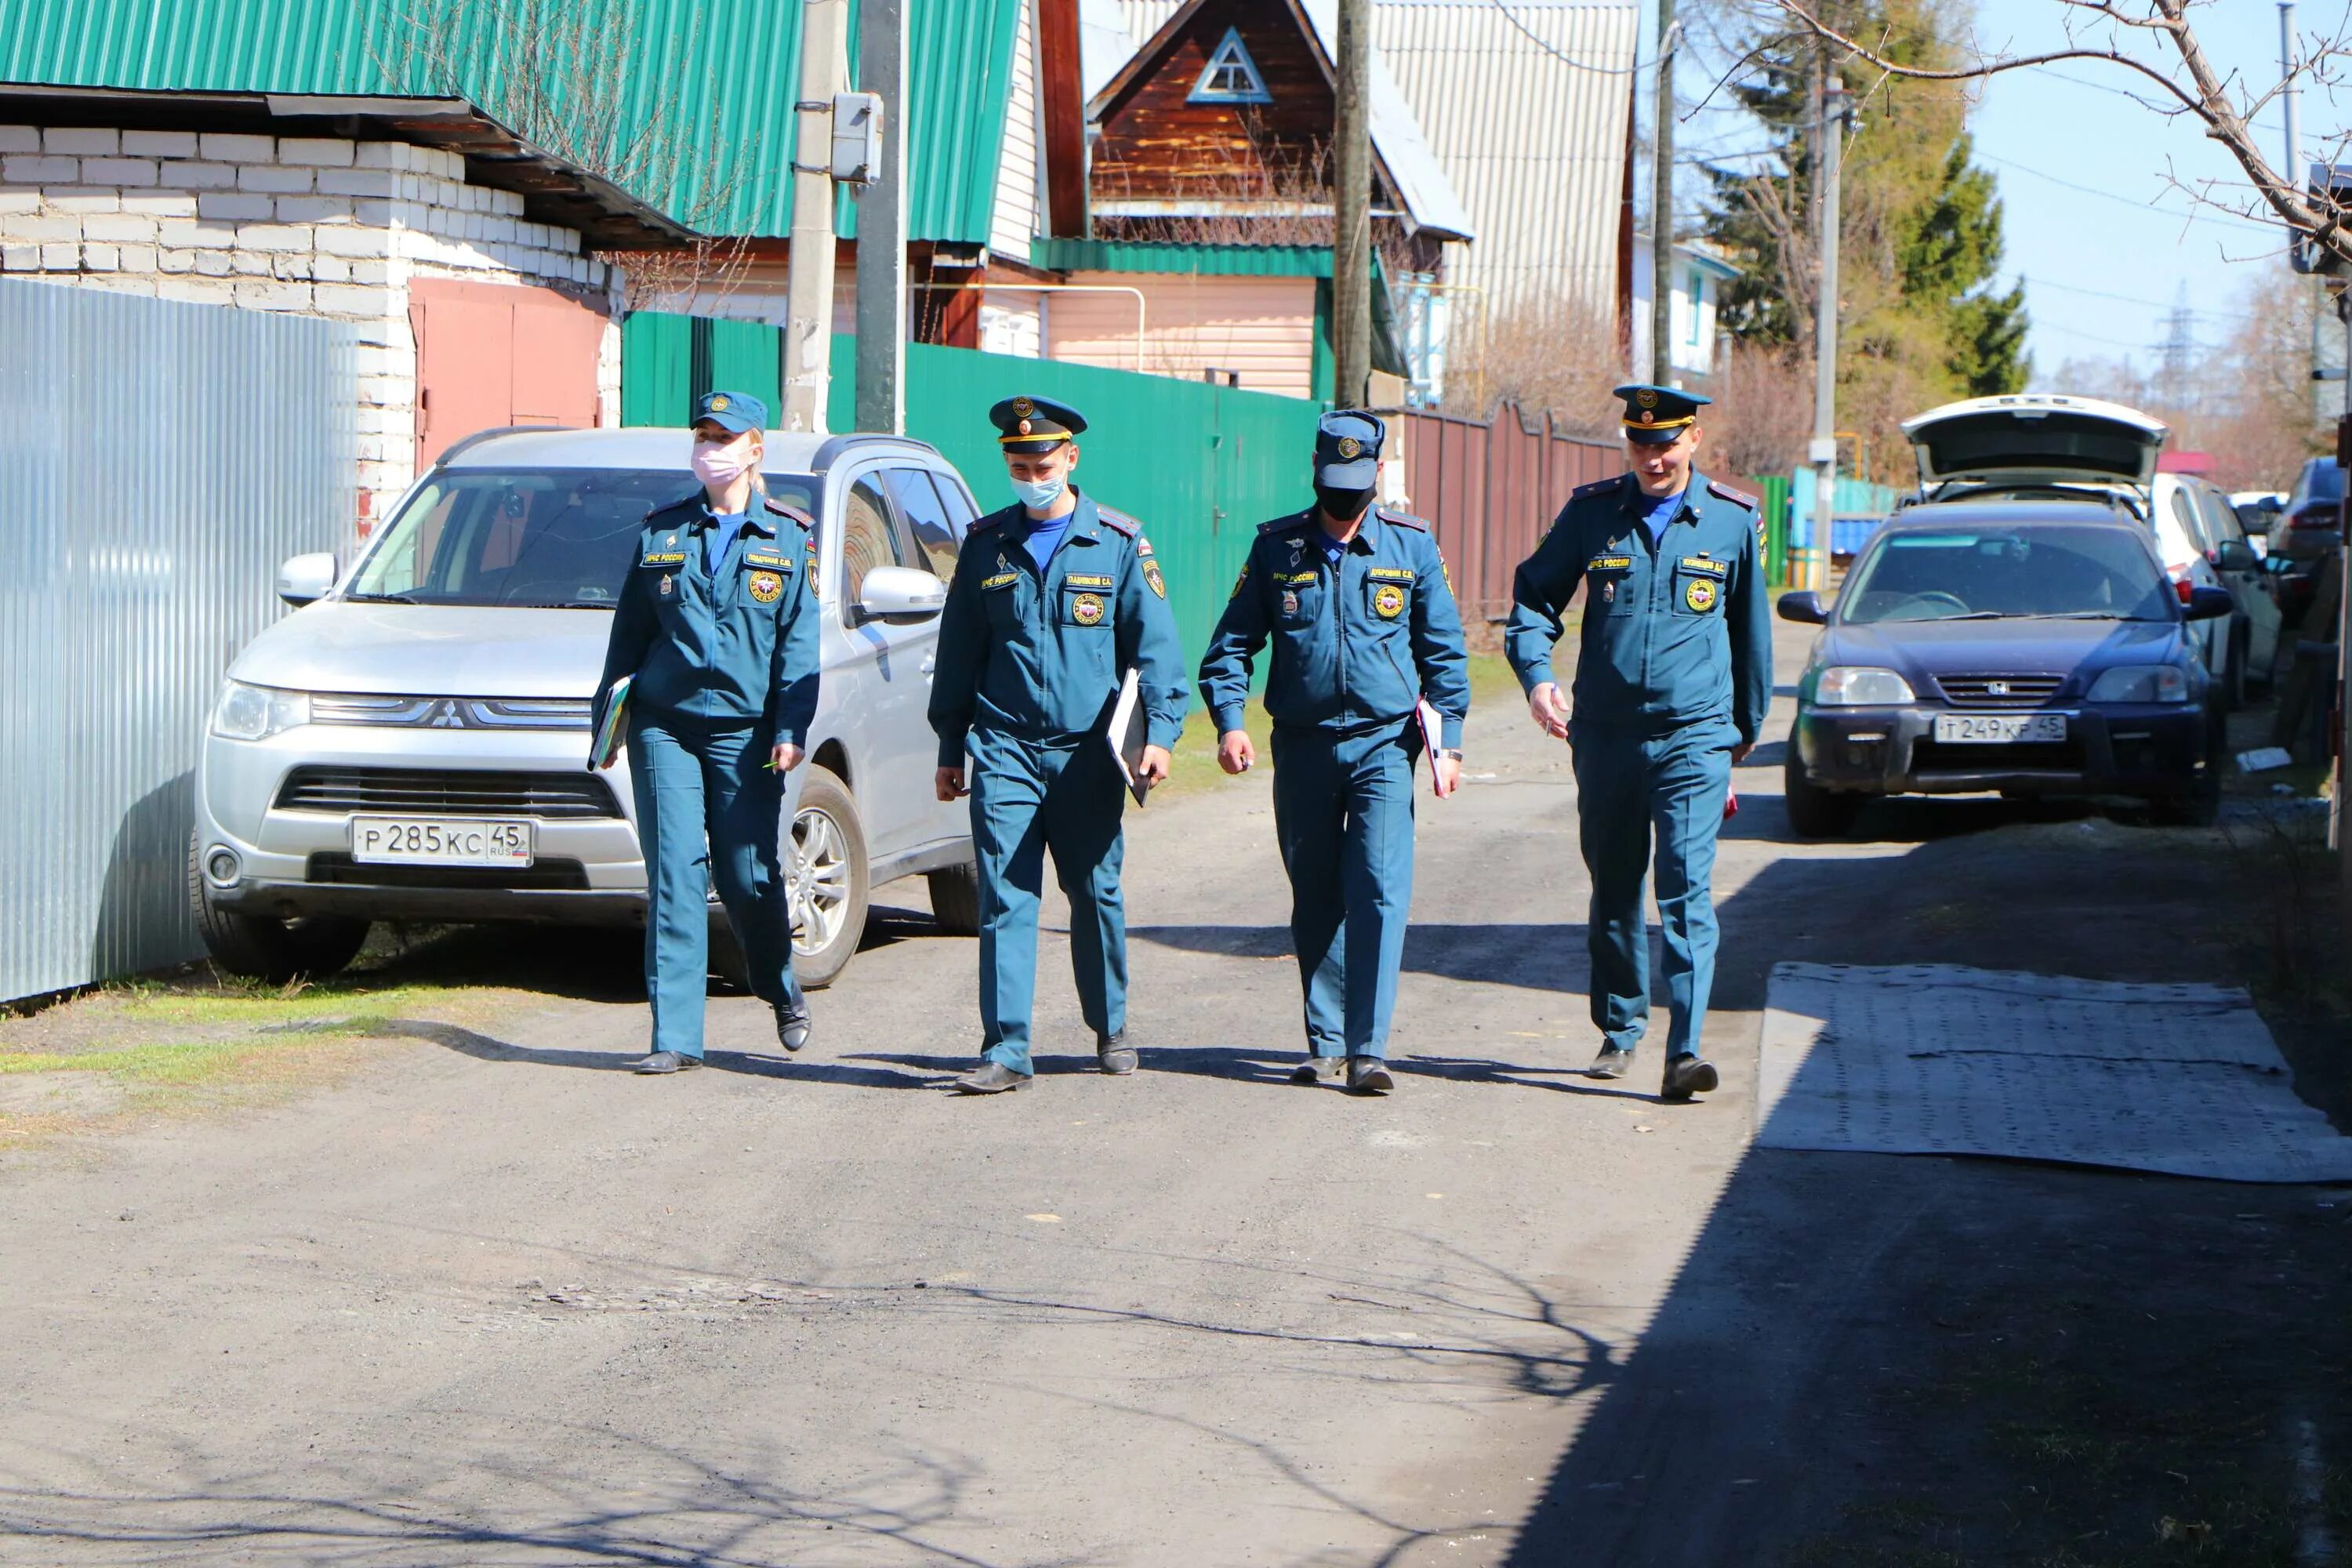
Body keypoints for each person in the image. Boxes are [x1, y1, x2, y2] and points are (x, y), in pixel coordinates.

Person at [1503, 384, 1771, 1102]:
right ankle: (1621, 1028)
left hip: (1693, 738)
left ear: (1693, 443)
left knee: (1685, 890)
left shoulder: (1732, 521)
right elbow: (1533, 600)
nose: (1652, 457)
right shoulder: (1593, 515)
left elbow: (1752, 638)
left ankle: (1684, 1050)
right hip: (1607, 738)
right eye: (1640, 443)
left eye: (1666, 442)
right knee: (1616, 888)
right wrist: (1535, 677)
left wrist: (1738, 737)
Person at [1197, 411, 1470, 1095]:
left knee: (1378, 890)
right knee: (1315, 891)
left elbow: (1444, 654)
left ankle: (1369, 1047)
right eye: (1331, 485)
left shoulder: (1411, 548)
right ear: (1314, 475)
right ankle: (1324, 1041)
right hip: (1303, 746)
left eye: (1355, 486)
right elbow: (1230, 648)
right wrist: (1230, 722)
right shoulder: (1275, 550)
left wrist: (1452, 739)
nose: (1342, 502)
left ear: (1378, 475)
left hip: (1384, 743)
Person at [927, 396, 1189, 1094]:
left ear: (1070, 459)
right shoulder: (985, 545)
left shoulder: (1119, 543)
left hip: (1086, 755)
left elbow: (1157, 652)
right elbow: (959, 654)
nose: (1030, 474)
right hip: (1006, 747)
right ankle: (1006, 1050)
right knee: (1005, 896)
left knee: (1094, 889)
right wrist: (952, 746)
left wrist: (1160, 737)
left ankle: (1110, 1025)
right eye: (1018, 464)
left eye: (1042, 462)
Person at [593, 390, 819, 1074]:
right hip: (667, 724)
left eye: (724, 438)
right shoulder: (661, 532)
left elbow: (798, 645)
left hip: (748, 734)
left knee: (748, 877)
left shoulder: (787, 535)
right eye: (702, 436)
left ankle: (779, 987)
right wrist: (607, 720)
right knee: (675, 873)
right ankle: (676, 1038)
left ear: (755, 450)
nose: (709, 450)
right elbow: (628, 638)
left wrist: (790, 726)